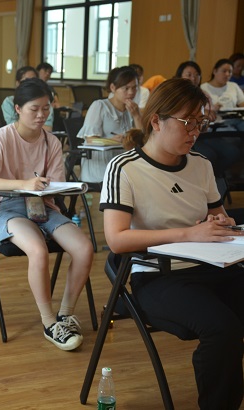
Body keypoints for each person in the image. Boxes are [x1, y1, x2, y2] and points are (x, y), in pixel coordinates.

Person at [100, 78, 244, 410]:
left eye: (200, 123)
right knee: (221, 329)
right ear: (156, 121)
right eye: (187, 122)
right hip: (158, 276)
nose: (195, 132)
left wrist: (222, 224)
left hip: (213, 267)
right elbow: (117, 239)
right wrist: (188, 233)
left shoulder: (201, 164)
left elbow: (218, 217)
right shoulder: (124, 168)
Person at [0, 78, 93, 351]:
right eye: (34, 109)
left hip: (43, 207)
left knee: (84, 248)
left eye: (46, 108)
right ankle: (49, 322)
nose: (41, 115)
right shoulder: (2, 137)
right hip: (8, 208)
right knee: (38, 250)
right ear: (18, 108)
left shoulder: (51, 141)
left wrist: (56, 188)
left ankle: (65, 315)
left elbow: (55, 184)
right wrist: (25, 184)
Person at [77, 66, 142, 183]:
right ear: (113, 88)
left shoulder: (132, 110)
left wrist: (137, 116)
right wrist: (111, 140)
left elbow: (143, 140)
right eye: (126, 88)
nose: (131, 92)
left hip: (122, 164)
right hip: (101, 166)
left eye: (134, 88)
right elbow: (90, 140)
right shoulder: (99, 106)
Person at [174, 61, 239, 177]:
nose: (193, 78)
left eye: (197, 75)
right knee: (209, 155)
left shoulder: (204, 95)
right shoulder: (174, 94)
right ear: (180, 75)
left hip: (203, 135)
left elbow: (208, 119)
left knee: (233, 152)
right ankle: (205, 178)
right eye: (189, 74)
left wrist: (207, 118)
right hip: (181, 134)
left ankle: (211, 178)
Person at [1, 66, 54, 131]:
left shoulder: (45, 101)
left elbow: (48, 128)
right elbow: (13, 127)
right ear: (17, 83)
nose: (30, 86)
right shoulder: (9, 101)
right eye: (34, 109)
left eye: (34, 81)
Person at [200, 58, 244, 132]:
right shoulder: (203, 88)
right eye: (224, 71)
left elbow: (242, 104)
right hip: (213, 124)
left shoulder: (233, 86)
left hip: (234, 123)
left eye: (230, 72)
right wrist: (212, 109)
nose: (227, 74)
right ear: (215, 71)